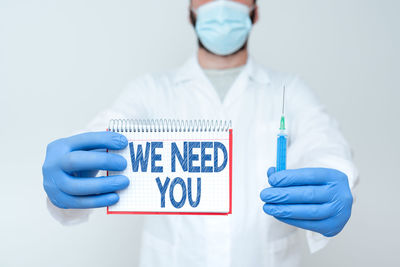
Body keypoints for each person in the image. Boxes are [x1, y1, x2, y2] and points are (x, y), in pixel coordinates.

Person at [42, 0, 359, 266]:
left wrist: (336, 174)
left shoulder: (290, 91)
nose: (221, 6)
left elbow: (325, 142)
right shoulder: (150, 91)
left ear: (256, 11)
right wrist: (74, 167)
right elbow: (107, 129)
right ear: (190, 10)